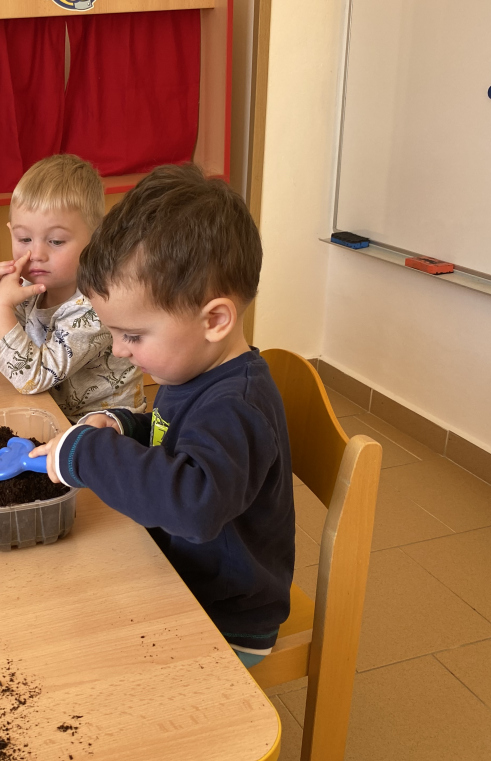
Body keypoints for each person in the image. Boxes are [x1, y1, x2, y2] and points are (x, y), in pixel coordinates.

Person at [30, 164, 295, 667]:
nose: (119, 350)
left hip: (226, 618)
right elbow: (170, 440)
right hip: (176, 574)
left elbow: (194, 502)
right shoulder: (189, 370)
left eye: (132, 335)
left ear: (215, 320)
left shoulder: (237, 406)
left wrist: (89, 455)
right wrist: (122, 426)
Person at [0, 154, 144, 422]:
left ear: (96, 238)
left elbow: (32, 378)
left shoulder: (96, 305)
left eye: (56, 241)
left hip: (106, 427)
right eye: (24, 239)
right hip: (51, 414)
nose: (37, 254)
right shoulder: (29, 289)